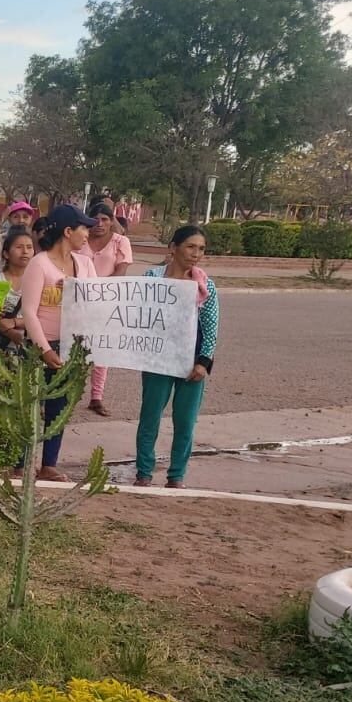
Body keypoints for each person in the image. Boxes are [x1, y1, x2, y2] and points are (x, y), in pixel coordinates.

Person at [136, 226, 220, 489]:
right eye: (190, 247)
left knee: (185, 421)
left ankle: (176, 476)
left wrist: (203, 362)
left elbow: (211, 326)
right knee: (150, 417)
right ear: (173, 248)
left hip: (191, 361)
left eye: (201, 249)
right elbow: (135, 313)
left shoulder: (205, 285)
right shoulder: (152, 278)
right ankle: (144, 472)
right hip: (158, 358)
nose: (196, 254)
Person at [20, 204, 100, 482]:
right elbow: (29, 311)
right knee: (28, 406)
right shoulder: (39, 264)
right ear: (68, 231)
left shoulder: (85, 264)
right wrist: (44, 349)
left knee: (60, 406)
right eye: (84, 229)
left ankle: (49, 463)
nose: (87, 234)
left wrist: (78, 293)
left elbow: (97, 302)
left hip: (72, 346)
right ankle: (21, 462)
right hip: (40, 346)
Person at [82, 197, 135, 416]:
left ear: (112, 221)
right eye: (95, 219)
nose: (100, 224)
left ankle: (96, 397)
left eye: (105, 219)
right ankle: (65, 393)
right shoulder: (80, 238)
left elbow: (120, 272)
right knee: (72, 346)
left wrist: (95, 289)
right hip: (78, 301)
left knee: (102, 350)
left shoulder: (120, 242)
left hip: (106, 301)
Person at [0, 226, 34, 354]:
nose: (25, 251)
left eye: (29, 247)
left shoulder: (38, 280)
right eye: (19, 247)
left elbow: (44, 317)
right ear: (6, 254)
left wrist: (15, 322)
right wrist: (7, 330)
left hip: (26, 350)